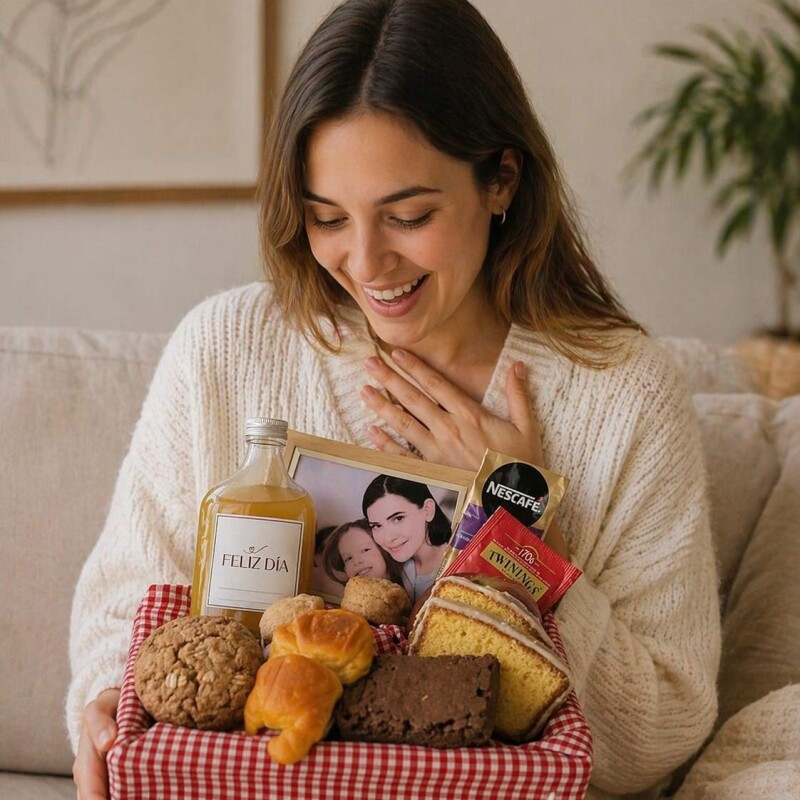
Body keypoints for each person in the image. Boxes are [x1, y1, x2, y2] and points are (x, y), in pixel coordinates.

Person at [68, 1, 721, 798]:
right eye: (327, 218)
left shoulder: (624, 394)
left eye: (409, 216)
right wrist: (108, 701)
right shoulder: (226, 349)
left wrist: (515, 530)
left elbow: (661, 734)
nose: (366, 262)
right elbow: (122, 610)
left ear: (502, 181)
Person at [362, 475, 451, 601]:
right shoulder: (401, 571)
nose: (388, 538)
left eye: (398, 518)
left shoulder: (459, 563)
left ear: (428, 510)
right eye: (377, 526)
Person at [321, 517, 405, 588]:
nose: (357, 561)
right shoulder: (352, 598)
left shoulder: (409, 583)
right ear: (345, 570)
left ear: (383, 548)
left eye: (365, 550)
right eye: (348, 558)